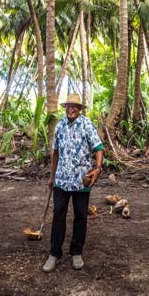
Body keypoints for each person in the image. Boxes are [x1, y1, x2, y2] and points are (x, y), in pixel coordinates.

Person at [42, 94, 104, 272]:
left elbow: (99, 148)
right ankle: (54, 253)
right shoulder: (60, 125)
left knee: (80, 216)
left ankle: (76, 252)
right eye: (69, 105)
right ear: (65, 107)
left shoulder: (86, 125)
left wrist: (98, 168)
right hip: (61, 180)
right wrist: (52, 176)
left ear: (80, 108)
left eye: (75, 106)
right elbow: (55, 152)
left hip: (81, 180)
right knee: (58, 214)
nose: (71, 108)